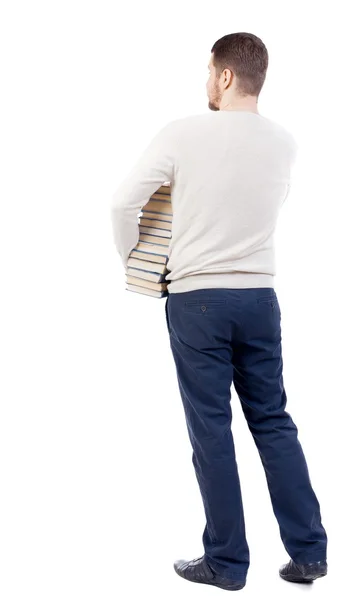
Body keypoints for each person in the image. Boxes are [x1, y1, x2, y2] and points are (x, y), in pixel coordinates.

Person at [110, 31, 328, 592]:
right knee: (274, 422)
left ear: (225, 75)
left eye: (210, 70)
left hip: (197, 299)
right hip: (261, 298)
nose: (207, 80)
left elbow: (122, 201)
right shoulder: (285, 143)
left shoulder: (184, 133)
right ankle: (309, 554)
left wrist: (135, 257)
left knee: (212, 431)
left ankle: (227, 564)